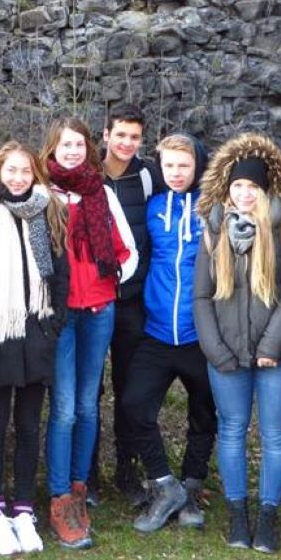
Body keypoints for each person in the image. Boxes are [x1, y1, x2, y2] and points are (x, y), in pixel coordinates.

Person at [193, 133, 281, 553]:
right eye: (237, 186)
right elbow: (201, 296)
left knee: (275, 435)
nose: (243, 194)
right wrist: (215, 350)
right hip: (226, 357)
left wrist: (272, 346)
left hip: (275, 357)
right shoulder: (214, 231)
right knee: (232, 431)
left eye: (252, 188)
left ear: (265, 191)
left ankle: (268, 517)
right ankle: (238, 516)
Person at [0, 141, 69, 555]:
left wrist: (53, 325)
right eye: (11, 170)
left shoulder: (50, 212)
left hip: (36, 335)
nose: (19, 178)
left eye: (26, 171)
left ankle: (24, 510)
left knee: (29, 426)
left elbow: (60, 275)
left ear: (35, 174)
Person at [39, 117, 137, 549]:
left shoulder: (102, 193)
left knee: (88, 404)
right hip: (60, 316)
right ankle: (59, 497)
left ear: (88, 149)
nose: (73, 151)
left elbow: (127, 250)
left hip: (99, 310)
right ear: (53, 149)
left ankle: (79, 488)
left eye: (79, 144)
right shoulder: (43, 196)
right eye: (65, 145)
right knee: (63, 408)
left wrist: (109, 286)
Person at [122, 132, 216, 534]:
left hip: (201, 334)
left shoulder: (214, 210)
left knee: (204, 413)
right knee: (134, 405)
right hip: (157, 331)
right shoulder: (153, 206)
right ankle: (164, 485)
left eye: (184, 166)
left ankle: (191, 487)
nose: (176, 173)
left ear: (198, 167)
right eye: (170, 166)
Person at [95, 105, 163, 505]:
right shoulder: (89, 175)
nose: (126, 143)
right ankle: (84, 473)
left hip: (133, 299)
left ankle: (126, 467)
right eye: (120, 134)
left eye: (134, 137)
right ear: (106, 134)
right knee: (89, 390)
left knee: (129, 388)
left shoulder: (147, 176)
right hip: (91, 299)